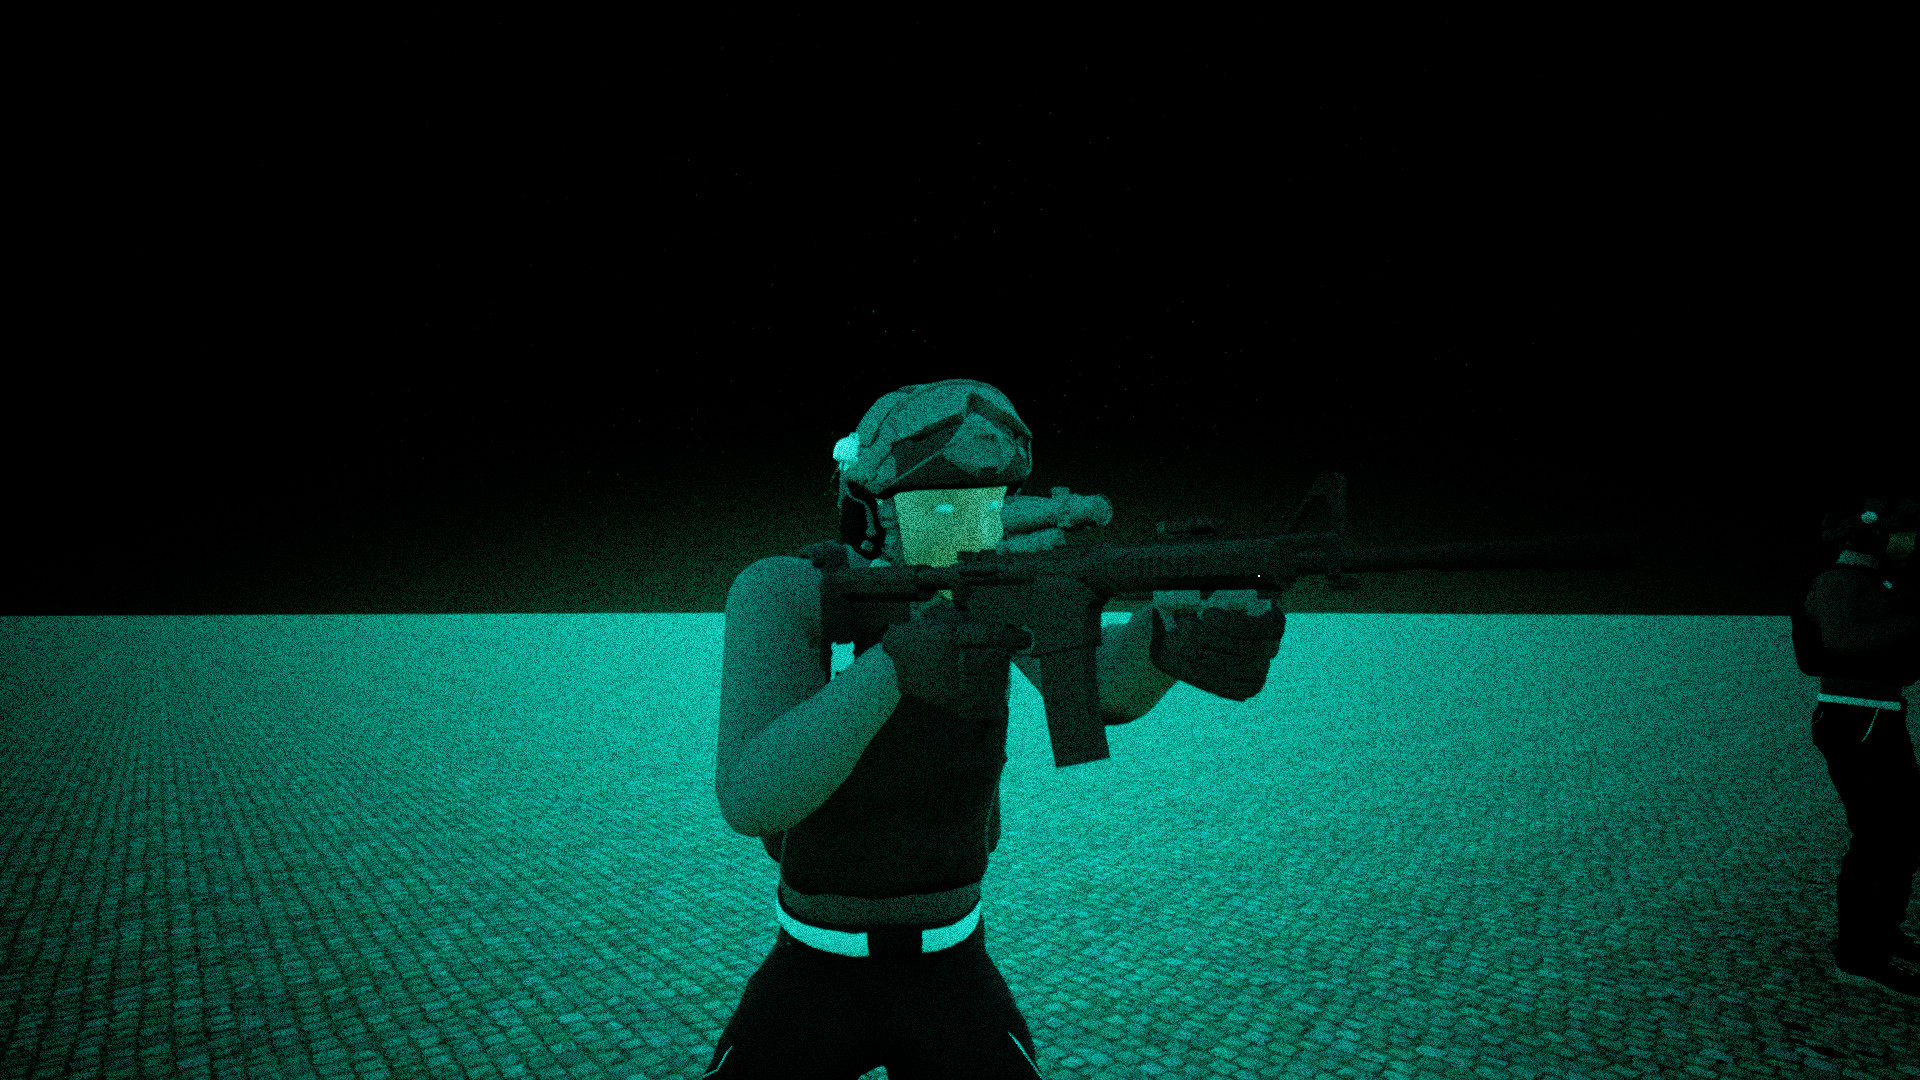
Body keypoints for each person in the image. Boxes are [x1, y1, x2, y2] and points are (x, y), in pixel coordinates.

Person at [703, 379, 1917, 1078]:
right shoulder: (792, 593)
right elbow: (752, 793)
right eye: (941, 503)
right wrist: (895, 668)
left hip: (953, 961)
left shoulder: (992, 579)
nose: (975, 523)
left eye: (991, 498)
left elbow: (1101, 690)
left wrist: (1177, 641)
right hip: (813, 963)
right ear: (871, 507)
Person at [1794, 495, 1920, 997]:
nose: (1910, 542)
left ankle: (1880, 933)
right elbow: (1846, 642)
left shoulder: (1871, 581)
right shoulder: (1839, 582)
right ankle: (1859, 951)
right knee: (1879, 836)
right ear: (1875, 537)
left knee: (1902, 832)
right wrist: (1914, 621)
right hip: (1856, 718)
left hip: (1875, 715)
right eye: (1903, 533)